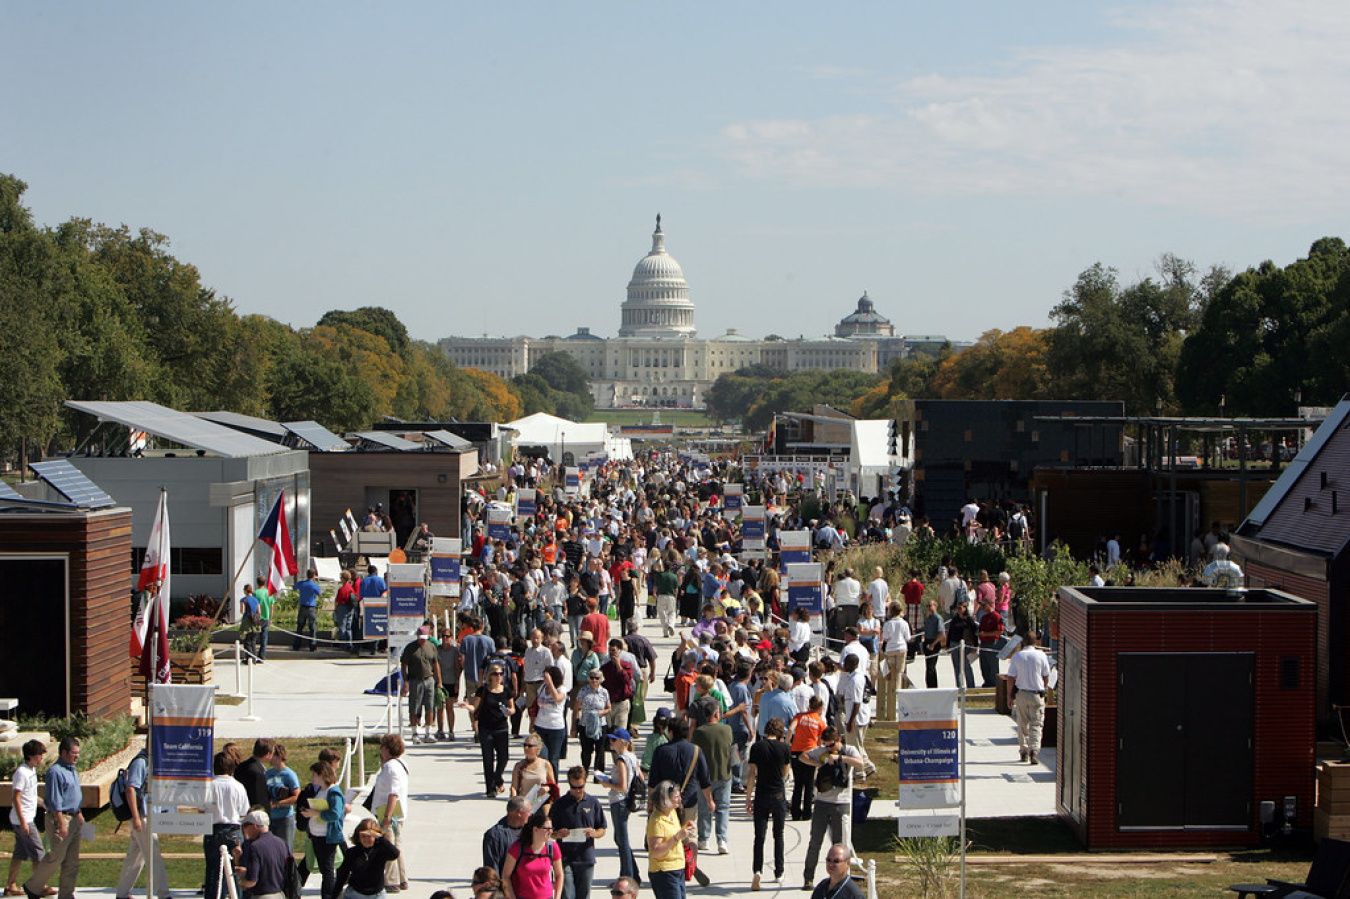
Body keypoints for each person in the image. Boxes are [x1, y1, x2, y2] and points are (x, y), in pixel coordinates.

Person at [647, 714, 712, 888]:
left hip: (665, 803)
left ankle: (674, 863)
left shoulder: (661, 751)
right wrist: (710, 801)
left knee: (669, 834)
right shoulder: (696, 751)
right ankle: (691, 863)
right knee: (690, 835)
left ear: (670, 732)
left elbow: (653, 782)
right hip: (688, 800)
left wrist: (650, 803)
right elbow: (705, 780)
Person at [798, 728, 866, 891]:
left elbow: (861, 763)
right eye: (826, 746)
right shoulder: (822, 752)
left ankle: (839, 879)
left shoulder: (848, 750)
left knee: (839, 844)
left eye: (831, 745)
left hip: (841, 802)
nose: (829, 749)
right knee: (815, 841)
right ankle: (808, 878)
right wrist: (819, 763)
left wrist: (840, 757)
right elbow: (802, 756)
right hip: (822, 801)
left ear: (839, 740)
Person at [746, 717, 791, 891]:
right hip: (778, 793)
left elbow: (752, 773)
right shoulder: (784, 748)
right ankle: (779, 871)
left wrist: (748, 798)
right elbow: (785, 772)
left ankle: (757, 870)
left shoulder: (757, 747)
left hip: (761, 794)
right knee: (778, 834)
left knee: (759, 836)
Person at [551, 767, 607, 899]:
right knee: (567, 894)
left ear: (585, 782)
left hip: (586, 857)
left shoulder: (593, 803)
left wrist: (593, 833)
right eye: (573, 787)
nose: (577, 790)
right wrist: (557, 834)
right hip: (564, 858)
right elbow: (549, 831)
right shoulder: (559, 804)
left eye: (580, 787)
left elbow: (602, 829)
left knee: (584, 895)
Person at [596, 729, 641, 886]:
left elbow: (622, 786)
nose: (611, 742)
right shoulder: (633, 757)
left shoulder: (621, 760)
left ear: (623, 741)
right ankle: (633, 874)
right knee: (620, 839)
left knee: (621, 839)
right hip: (627, 801)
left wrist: (606, 782)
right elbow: (640, 777)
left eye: (614, 740)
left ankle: (627, 877)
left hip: (619, 801)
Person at [204, 750, 249, 899]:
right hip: (233, 830)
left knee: (213, 872)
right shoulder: (238, 786)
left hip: (212, 828)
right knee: (235, 871)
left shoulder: (208, 786)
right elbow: (244, 812)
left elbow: (201, 808)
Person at [691, 700, 733, 855]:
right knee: (723, 808)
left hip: (704, 777)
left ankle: (704, 838)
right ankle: (722, 839)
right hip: (724, 773)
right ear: (717, 714)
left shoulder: (699, 732)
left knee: (704, 808)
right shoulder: (727, 729)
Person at [6, 740, 47, 899]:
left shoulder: (31, 771)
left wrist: (44, 804)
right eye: (39, 755)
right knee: (39, 853)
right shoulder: (22, 773)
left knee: (20, 853)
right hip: (23, 820)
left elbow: (29, 795)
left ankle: (10, 885)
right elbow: (16, 798)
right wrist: (23, 822)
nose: (42, 758)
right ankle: (39, 886)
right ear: (31, 756)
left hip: (26, 818)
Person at [299, 760, 346, 899]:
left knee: (327, 870)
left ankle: (329, 896)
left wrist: (316, 813)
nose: (312, 777)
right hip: (317, 835)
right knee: (322, 867)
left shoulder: (333, 792)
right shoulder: (322, 790)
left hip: (327, 836)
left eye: (314, 774)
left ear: (322, 775)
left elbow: (335, 814)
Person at [370, 734, 410, 893]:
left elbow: (393, 793)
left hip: (389, 813)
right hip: (398, 813)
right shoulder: (401, 764)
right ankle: (402, 878)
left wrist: (386, 816)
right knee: (397, 845)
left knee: (388, 846)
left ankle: (392, 880)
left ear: (387, 749)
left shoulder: (390, 767)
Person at [1007, 632, 1052, 764]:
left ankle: (1024, 750)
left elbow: (1011, 677)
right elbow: (1046, 676)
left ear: (1023, 642)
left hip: (1021, 693)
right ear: (1035, 641)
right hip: (1036, 694)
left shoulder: (1017, 656)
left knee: (1022, 723)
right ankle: (1034, 750)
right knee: (1036, 724)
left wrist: (1010, 696)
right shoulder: (1041, 655)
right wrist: (1043, 687)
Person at [472, 663, 516, 796]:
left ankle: (498, 778)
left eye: (501, 674)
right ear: (490, 676)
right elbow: (475, 707)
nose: (499, 676)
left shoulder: (506, 689)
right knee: (488, 758)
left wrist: (509, 711)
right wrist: (466, 707)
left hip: (501, 727)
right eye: (496, 674)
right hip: (486, 728)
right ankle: (490, 789)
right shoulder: (483, 690)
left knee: (504, 757)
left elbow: (513, 708)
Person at [646, 781, 695, 899]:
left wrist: (685, 828)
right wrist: (677, 837)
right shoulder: (657, 822)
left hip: (677, 868)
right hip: (664, 872)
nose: (680, 800)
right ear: (666, 800)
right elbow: (655, 851)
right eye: (676, 797)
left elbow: (673, 833)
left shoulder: (671, 812)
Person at [332, 818, 400, 899]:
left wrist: (380, 837)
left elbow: (395, 854)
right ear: (358, 837)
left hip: (377, 895)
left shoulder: (381, 851)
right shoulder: (352, 852)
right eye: (363, 836)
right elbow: (342, 876)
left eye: (369, 836)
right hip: (355, 894)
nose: (366, 839)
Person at [500, 811, 562, 899]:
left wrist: (557, 896)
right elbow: (505, 875)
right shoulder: (518, 848)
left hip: (547, 896)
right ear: (535, 829)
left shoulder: (552, 847)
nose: (550, 832)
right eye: (547, 829)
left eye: (551, 829)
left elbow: (559, 874)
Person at [400, 626, 443, 744]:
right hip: (415, 680)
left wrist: (439, 681)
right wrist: (406, 683)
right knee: (414, 707)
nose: (422, 640)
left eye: (424, 638)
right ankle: (414, 733)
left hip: (429, 679)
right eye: (420, 638)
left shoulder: (431, 646)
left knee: (430, 707)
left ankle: (428, 732)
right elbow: (404, 666)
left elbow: (435, 664)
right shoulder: (410, 648)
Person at [788, 696, 828, 822]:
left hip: (796, 751)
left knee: (798, 783)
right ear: (820, 708)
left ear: (809, 705)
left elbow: (790, 729)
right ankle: (807, 813)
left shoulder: (799, 716)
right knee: (809, 783)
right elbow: (821, 741)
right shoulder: (820, 722)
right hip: (811, 753)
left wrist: (788, 743)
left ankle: (795, 812)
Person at [235, 809, 289, 899]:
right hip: (280, 894)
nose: (244, 830)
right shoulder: (281, 843)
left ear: (255, 826)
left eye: (245, 826)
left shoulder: (255, 846)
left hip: (262, 896)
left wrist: (240, 882)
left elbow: (251, 881)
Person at [573, 668, 613, 774]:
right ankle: (584, 771)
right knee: (586, 751)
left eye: (597, 678)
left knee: (600, 750)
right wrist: (574, 726)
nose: (594, 680)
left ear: (600, 679)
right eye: (592, 678)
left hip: (600, 725)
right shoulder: (583, 691)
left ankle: (598, 774)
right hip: (585, 725)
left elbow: (609, 708)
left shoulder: (604, 692)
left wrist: (601, 712)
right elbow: (576, 708)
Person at [265, 742, 302, 853]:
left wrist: (279, 803)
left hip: (284, 818)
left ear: (279, 756)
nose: (270, 759)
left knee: (285, 851)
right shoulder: (268, 773)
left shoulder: (289, 775)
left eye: (272, 755)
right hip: (270, 818)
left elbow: (297, 797)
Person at [877, 601, 911, 719]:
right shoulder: (904, 623)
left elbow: (885, 637)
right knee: (899, 672)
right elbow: (908, 637)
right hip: (901, 648)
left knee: (890, 671)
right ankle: (897, 693)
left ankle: (890, 692)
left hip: (891, 648)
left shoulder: (888, 623)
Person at [483, 797, 531, 875]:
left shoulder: (530, 831)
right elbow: (492, 867)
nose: (530, 814)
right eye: (528, 811)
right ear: (519, 813)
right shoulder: (494, 836)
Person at [510, 735, 557, 809]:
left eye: (530, 746)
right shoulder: (519, 766)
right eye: (525, 745)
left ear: (537, 748)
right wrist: (515, 802)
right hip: (524, 804)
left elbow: (553, 785)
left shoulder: (545, 764)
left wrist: (546, 788)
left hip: (541, 803)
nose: (526, 748)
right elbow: (514, 787)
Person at [945, 599, 978, 690]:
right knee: (957, 667)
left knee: (966, 666)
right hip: (954, 644)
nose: (959, 610)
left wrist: (976, 645)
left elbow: (974, 633)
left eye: (960, 608)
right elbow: (950, 632)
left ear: (965, 608)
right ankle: (959, 687)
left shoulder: (969, 620)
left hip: (966, 645)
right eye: (957, 608)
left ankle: (971, 687)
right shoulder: (955, 619)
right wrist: (947, 645)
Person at [436, 621, 461, 741]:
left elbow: (458, 667)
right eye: (443, 636)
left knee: (449, 707)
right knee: (439, 707)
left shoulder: (454, 651)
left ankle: (451, 731)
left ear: (451, 638)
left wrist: (457, 682)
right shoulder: (438, 650)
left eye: (448, 636)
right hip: (439, 682)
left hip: (451, 681)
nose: (445, 638)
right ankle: (440, 730)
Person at [235, 738, 274, 811]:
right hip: (254, 813)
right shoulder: (258, 772)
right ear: (268, 754)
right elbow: (260, 798)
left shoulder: (240, 767)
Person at [360, 564, 389, 655]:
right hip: (379, 605)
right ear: (376, 571)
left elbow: (361, 594)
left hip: (367, 606)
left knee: (369, 627)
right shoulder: (380, 580)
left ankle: (371, 647)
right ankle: (377, 646)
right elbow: (384, 592)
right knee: (378, 625)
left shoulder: (364, 581)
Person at [294, 567, 322, 651]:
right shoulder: (314, 585)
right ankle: (312, 646)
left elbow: (294, 587)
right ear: (314, 576)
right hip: (311, 607)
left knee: (300, 626)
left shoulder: (302, 583)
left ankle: (297, 645)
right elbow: (319, 593)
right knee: (312, 627)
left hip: (302, 607)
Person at [334, 569, 359, 653]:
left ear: (343, 578)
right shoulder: (351, 588)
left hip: (342, 608)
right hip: (350, 608)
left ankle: (343, 645)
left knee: (342, 626)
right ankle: (349, 644)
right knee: (349, 627)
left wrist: (335, 609)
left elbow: (337, 601)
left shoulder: (342, 589)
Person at [922, 599, 944, 689]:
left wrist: (933, 644)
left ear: (935, 606)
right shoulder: (928, 618)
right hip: (927, 642)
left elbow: (942, 634)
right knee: (928, 666)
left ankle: (933, 686)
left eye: (930, 606)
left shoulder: (938, 618)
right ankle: (929, 685)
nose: (928, 608)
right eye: (927, 606)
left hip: (934, 643)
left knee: (931, 666)